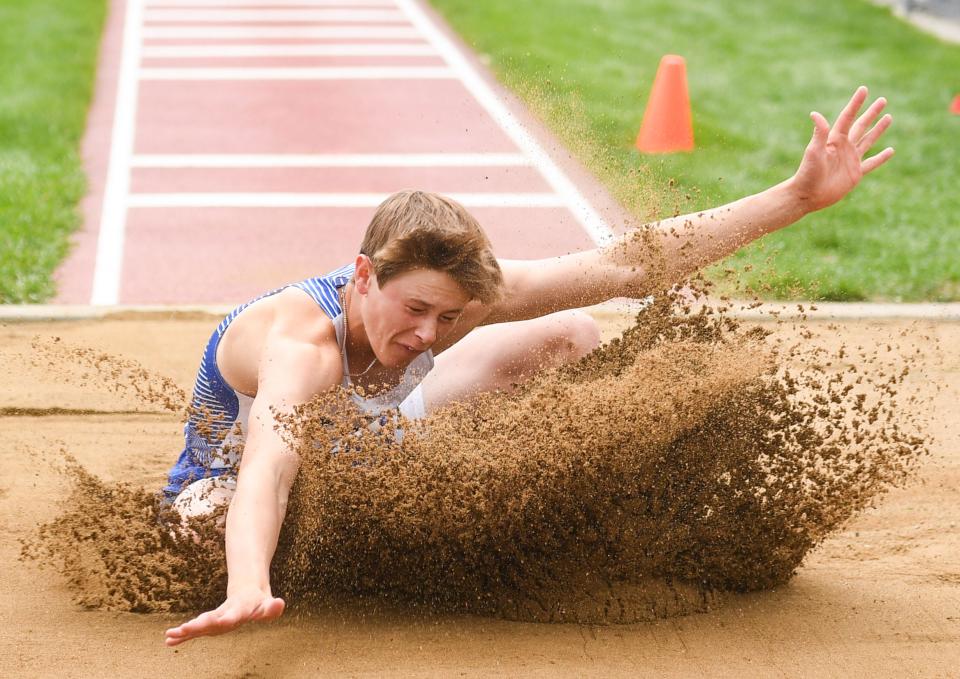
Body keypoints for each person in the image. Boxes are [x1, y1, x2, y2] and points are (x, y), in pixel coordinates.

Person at [163, 86, 893, 646]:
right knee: (206, 530)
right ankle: (271, 565)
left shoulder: (457, 302)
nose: (427, 334)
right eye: (414, 309)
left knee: (570, 332)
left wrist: (796, 198)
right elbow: (268, 469)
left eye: (447, 318)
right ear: (363, 274)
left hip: (371, 449)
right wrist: (247, 587)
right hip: (226, 482)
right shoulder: (302, 347)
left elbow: (626, 264)